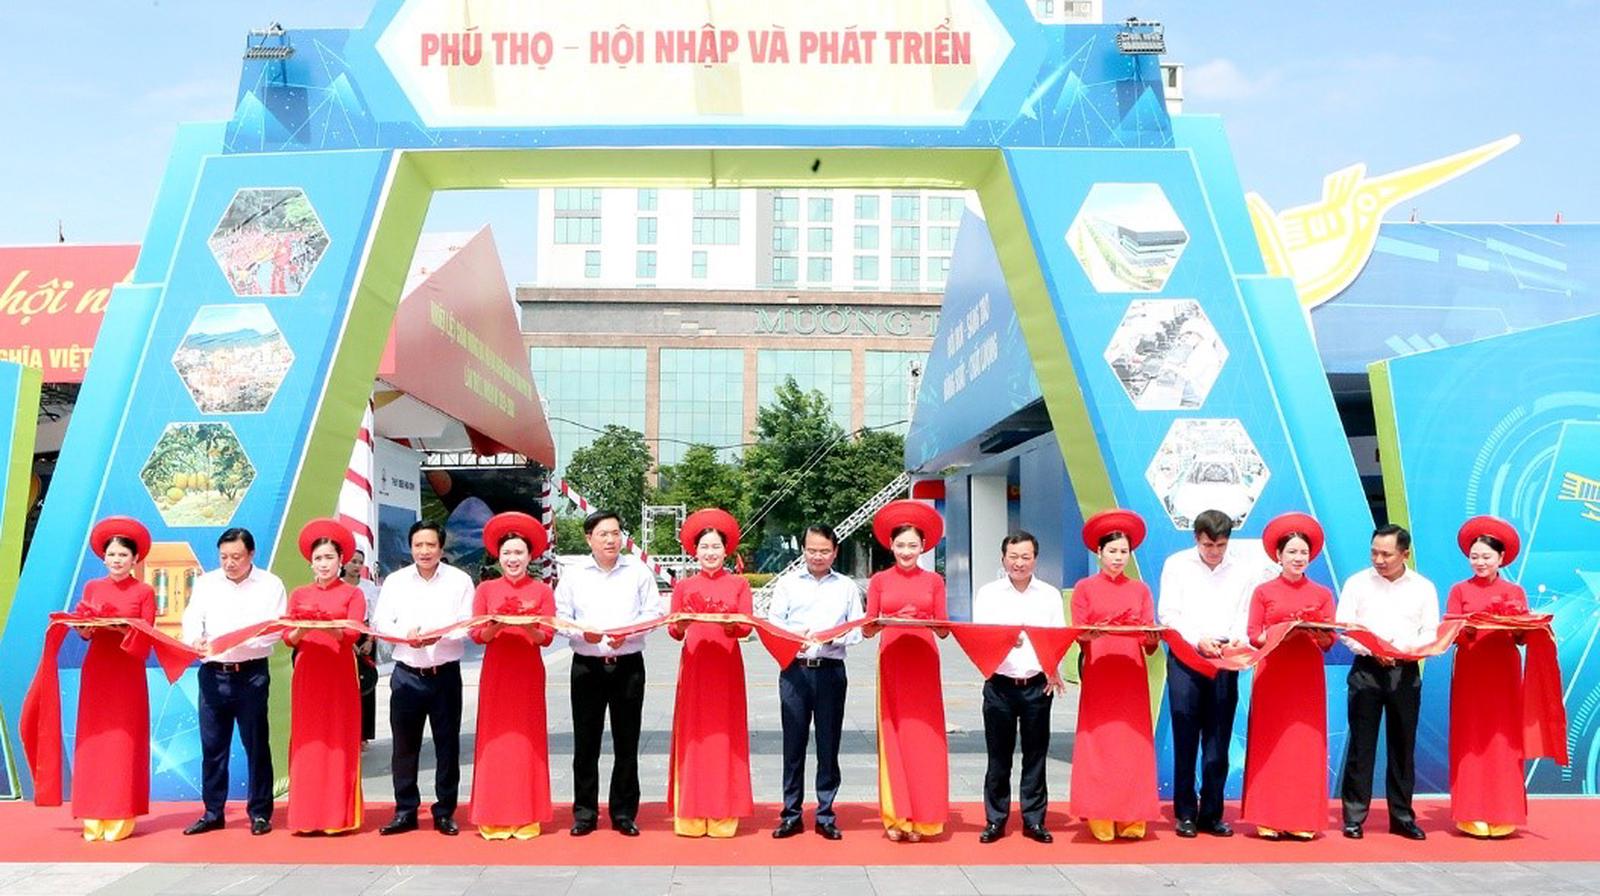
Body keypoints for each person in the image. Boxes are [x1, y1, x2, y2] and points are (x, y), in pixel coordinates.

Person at [555, 510, 665, 837]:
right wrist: (581, 633)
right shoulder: (574, 575)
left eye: (616, 533)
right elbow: (561, 616)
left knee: (627, 741)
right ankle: (585, 813)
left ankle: (624, 812)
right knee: (585, 742)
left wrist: (628, 633)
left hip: (628, 664)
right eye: (603, 534)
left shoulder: (638, 571)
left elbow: (653, 613)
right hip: (587, 666)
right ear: (589, 538)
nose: (610, 540)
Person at [1157, 509, 1260, 838]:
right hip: (1187, 656)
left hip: (1224, 658)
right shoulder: (1177, 565)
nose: (1214, 551)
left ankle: (1212, 813)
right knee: (1185, 737)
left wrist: (1235, 639)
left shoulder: (1244, 569)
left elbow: (1245, 612)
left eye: (1220, 545)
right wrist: (1197, 639)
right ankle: (1185, 812)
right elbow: (1168, 613)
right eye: (1208, 545)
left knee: (1218, 739)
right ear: (1196, 539)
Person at [181, 527, 287, 836]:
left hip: (251, 674)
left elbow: (275, 629)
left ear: (251, 554)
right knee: (213, 746)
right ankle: (213, 812)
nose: (229, 563)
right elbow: (192, 619)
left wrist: (239, 641)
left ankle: (260, 813)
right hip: (213, 674)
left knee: (256, 744)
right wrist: (195, 640)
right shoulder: (207, 583)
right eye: (224, 557)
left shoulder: (270, 584)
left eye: (236, 557)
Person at [372, 520, 475, 836]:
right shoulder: (396, 582)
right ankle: (405, 810)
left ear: (441, 548)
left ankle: (445, 811)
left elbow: (468, 624)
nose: (425, 551)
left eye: (431, 545)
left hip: (445, 675)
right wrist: (406, 634)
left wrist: (440, 635)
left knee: (447, 746)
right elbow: (380, 622)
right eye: (419, 545)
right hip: (407, 675)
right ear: (411, 547)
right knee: (404, 747)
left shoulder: (459, 581)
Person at [1336, 524, 1438, 840]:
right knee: (1361, 745)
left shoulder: (1423, 588)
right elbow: (1345, 627)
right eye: (1374, 553)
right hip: (1366, 668)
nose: (1379, 560)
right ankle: (1354, 816)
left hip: (1404, 671)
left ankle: (1402, 816)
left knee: (1403, 745)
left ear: (1404, 554)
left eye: (1386, 554)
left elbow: (1430, 632)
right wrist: (1374, 649)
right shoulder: (1357, 583)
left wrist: (1401, 650)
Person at [1240, 512, 1337, 841]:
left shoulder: (1322, 593)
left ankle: (1301, 817)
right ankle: (1268, 815)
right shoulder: (1263, 591)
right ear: (1278, 555)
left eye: (1303, 552)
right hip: (1273, 674)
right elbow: (1254, 634)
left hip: (1306, 676)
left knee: (1303, 744)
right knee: (1271, 742)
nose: (1298, 558)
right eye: (1292, 552)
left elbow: (1329, 640)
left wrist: (1317, 632)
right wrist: (1281, 631)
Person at [1069, 509, 1161, 842]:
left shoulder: (1140, 590)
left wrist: (1152, 638)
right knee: (1100, 741)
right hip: (1100, 670)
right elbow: (1077, 633)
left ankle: (1132, 814)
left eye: (1124, 551)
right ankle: (1101, 812)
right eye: (1112, 551)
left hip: (1131, 673)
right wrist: (1090, 633)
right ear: (1099, 552)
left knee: (1132, 742)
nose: (1119, 557)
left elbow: (1149, 641)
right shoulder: (1084, 588)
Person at [766, 524, 863, 841]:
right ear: (803, 550)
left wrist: (834, 637)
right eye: (811, 550)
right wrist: (793, 637)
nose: (817, 556)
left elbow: (857, 630)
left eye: (824, 551)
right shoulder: (787, 584)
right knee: (793, 745)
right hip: (795, 671)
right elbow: (773, 625)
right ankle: (791, 814)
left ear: (835, 552)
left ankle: (825, 814)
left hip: (830, 671)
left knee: (828, 744)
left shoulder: (846, 587)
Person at [863, 499, 950, 842]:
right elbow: (868, 628)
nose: (906, 551)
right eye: (900, 545)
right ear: (891, 545)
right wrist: (880, 622)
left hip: (924, 663)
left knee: (924, 739)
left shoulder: (935, 581)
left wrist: (926, 620)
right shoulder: (879, 581)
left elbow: (943, 629)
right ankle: (897, 816)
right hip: (893, 661)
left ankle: (925, 818)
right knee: (894, 735)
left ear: (923, 546)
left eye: (913, 545)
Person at [665, 508, 755, 838]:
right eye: (704, 547)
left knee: (724, 735)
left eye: (716, 546)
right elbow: (674, 630)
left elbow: (746, 627)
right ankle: (690, 813)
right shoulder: (684, 586)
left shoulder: (739, 585)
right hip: (695, 667)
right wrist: (683, 623)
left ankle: (722, 813)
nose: (710, 552)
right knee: (693, 735)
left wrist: (732, 625)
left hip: (726, 667)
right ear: (695, 550)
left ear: (726, 550)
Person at [67, 517, 158, 841]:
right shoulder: (93, 587)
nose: (117, 560)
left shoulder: (144, 591)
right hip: (98, 671)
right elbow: (84, 632)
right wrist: (85, 626)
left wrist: (120, 627)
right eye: (112, 555)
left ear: (135, 559)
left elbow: (147, 635)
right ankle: (92, 816)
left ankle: (120, 815)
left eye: (123, 555)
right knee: (94, 739)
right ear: (103, 558)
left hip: (127, 672)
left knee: (123, 740)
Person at [468, 512, 557, 840]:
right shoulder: (486, 589)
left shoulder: (542, 591)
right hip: (497, 673)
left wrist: (528, 626)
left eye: (519, 552)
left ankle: (526, 814)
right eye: (507, 553)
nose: (513, 559)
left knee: (526, 740)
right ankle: (493, 816)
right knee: (495, 741)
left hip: (527, 673)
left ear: (530, 556)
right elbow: (477, 635)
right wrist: (496, 625)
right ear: (498, 556)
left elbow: (546, 637)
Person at [972, 531, 1064, 844]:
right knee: (998, 757)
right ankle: (995, 820)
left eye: (1025, 557)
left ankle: (1034, 820)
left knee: (1036, 755)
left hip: (1037, 685)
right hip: (999, 683)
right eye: (1013, 557)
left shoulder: (1049, 595)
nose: (1019, 563)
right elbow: (981, 634)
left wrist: (1054, 668)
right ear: (1003, 559)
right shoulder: (988, 593)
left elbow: (1058, 636)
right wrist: (1006, 640)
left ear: (1035, 559)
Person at [1447, 516, 1531, 839]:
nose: (1480, 562)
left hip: (1504, 673)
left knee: (1503, 738)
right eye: (1475, 556)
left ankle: (1503, 811)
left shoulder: (1514, 591)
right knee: (1471, 737)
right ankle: (1470, 811)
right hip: (1471, 671)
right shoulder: (1460, 590)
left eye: (1486, 556)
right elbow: (1450, 632)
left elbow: (1522, 637)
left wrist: (1519, 624)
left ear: (1501, 558)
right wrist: (1468, 627)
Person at [282, 518, 365, 835]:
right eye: (318, 558)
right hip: (308, 672)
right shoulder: (299, 594)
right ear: (310, 562)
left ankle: (336, 815)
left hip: (339, 672)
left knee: (337, 738)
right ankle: (306, 815)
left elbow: (352, 634)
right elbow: (288, 637)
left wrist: (327, 624)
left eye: (330, 557)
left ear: (341, 560)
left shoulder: (352, 594)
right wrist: (303, 627)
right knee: (308, 740)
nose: (324, 563)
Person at [342, 548, 381, 747]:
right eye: (353, 561)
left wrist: (369, 640)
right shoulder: (337, 585)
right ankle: (346, 730)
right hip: (342, 638)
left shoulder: (368, 587)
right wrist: (349, 642)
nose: (356, 566)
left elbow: (375, 616)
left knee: (366, 685)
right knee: (345, 686)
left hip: (365, 637)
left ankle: (363, 733)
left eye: (360, 562)